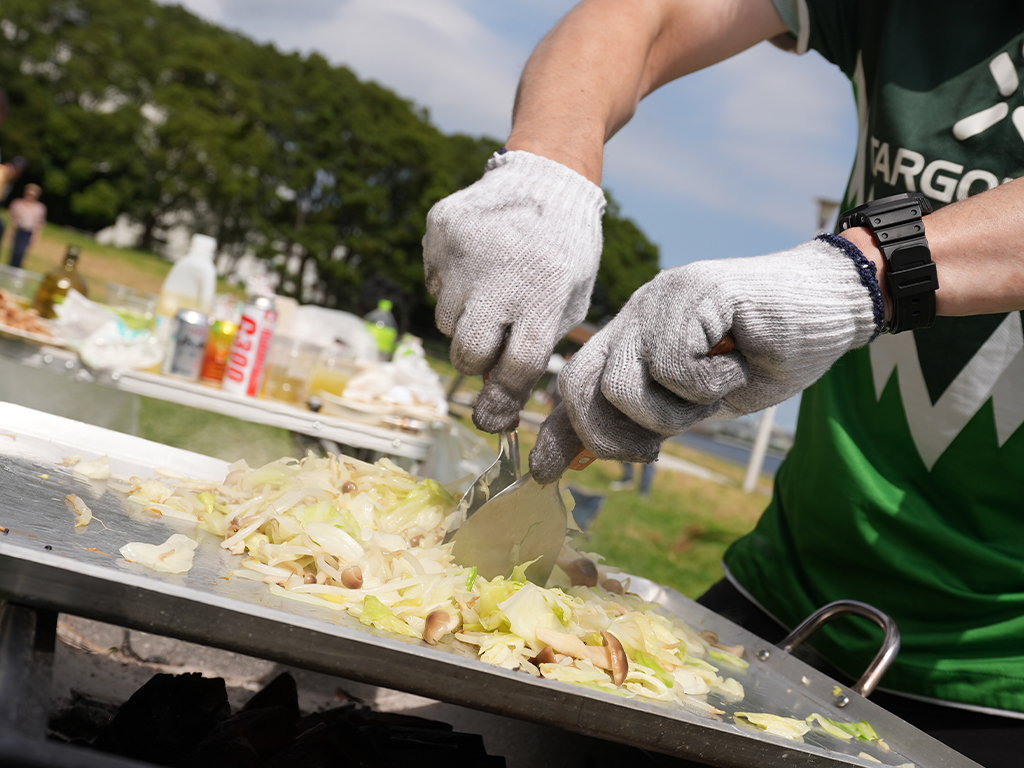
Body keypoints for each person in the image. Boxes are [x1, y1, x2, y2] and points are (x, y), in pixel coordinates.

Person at [423, 1, 1024, 765]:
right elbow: (649, 15)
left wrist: (860, 275)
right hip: (781, 597)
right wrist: (548, 168)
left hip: (999, 680)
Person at [8, 183, 46, 269]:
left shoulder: (39, 208)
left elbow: (39, 224)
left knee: (21, 252)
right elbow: (13, 219)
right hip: (18, 230)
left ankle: (16, 268)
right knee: (14, 251)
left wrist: (35, 236)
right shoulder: (17, 204)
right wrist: (11, 232)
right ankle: (10, 269)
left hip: (28, 232)